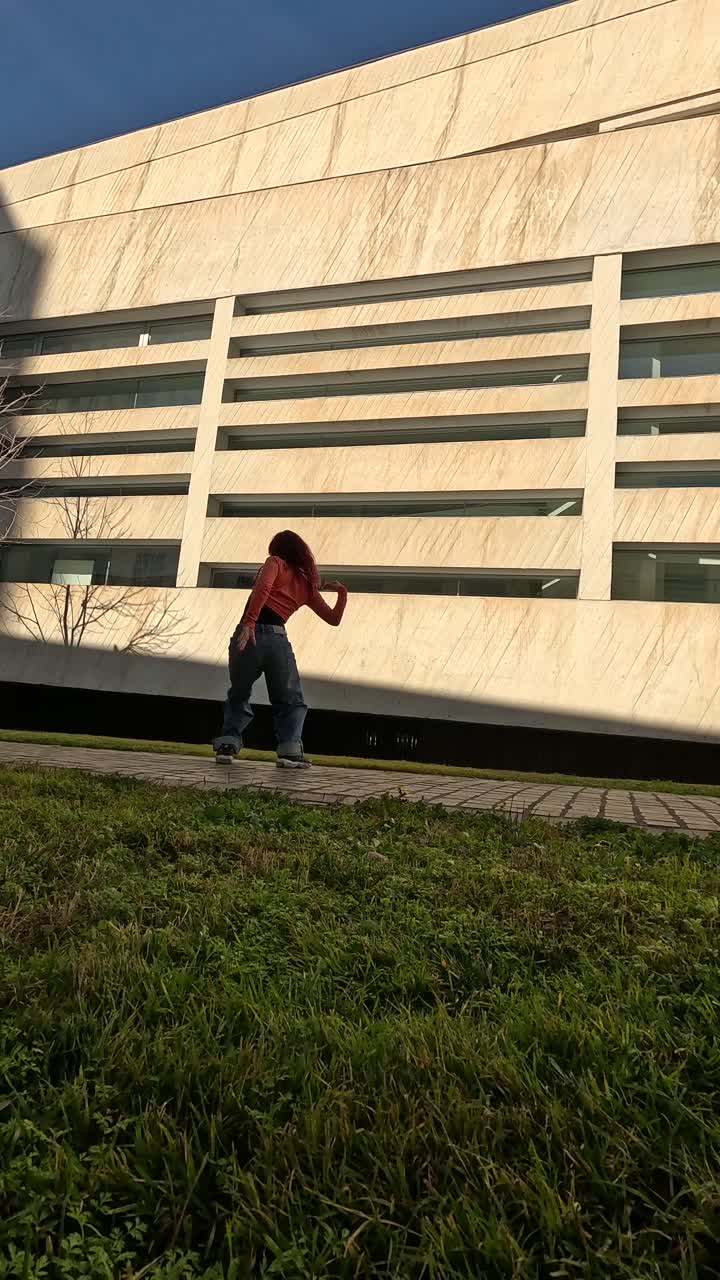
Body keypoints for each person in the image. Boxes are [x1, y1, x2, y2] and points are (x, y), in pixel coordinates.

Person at [213, 530, 347, 768]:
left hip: (249, 635)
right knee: (290, 698)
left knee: (239, 693)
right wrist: (342, 593)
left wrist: (249, 623)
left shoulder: (275, 563)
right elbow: (334, 619)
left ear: (277, 549)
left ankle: (228, 745)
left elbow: (262, 588)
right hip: (277, 640)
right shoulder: (306, 585)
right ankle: (290, 750)